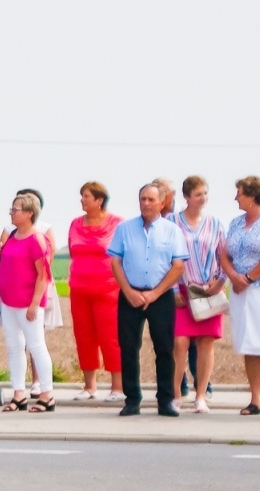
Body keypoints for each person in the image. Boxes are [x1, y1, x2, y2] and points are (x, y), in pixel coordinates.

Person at [108, 184, 188, 417]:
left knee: (164, 349)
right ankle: (132, 400)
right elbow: (115, 262)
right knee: (128, 348)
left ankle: (165, 400)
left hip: (160, 297)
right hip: (130, 295)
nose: (146, 203)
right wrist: (128, 291)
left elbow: (178, 266)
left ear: (162, 203)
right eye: (143, 199)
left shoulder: (172, 231)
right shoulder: (124, 229)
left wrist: (155, 293)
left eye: (151, 199)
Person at [0, 193, 56, 412]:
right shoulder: (13, 235)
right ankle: (18, 392)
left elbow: (43, 274)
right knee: (14, 347)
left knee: (36, 346)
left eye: (16, 210)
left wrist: (34, 303)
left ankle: (47, 394)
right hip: (9, 301)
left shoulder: (37, 239)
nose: (11, 213)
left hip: (27, 302)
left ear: (29, 213)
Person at [172, 176, 226, 412]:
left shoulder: (215, 223)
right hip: (183, 290)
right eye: (198, 194)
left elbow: (224, 256)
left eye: (205, 193)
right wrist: (173, 289)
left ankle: (201, 395)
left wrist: (220, 281)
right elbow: (167, 258)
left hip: (210, 290)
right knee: (180, 342)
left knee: (206, 342)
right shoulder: (172, 222)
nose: (203, 198)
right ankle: (175, 394)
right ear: (186, 197)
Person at [68, 181, 124, 401]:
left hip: (108, 289)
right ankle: (89, 386)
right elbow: (72, 250)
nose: (82, 200)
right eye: (82, 196)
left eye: (86, 196)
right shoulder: (75, 223)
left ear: (99, 200)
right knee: (84, 337)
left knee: (110, 338)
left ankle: (117, 387)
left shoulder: (117, 224)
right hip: (79, 288)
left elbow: (123, 255)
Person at [218, 176, 260, 415]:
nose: (236, 198)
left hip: (259, 288)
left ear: (253, 196)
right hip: (239, 290)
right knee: (250, 343)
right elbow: (224, 253)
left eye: (240, 193)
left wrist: (249, 278)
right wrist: (234, 276)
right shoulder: (236, 223)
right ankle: (256, 398)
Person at [15, 188, 64, 330]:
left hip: (37, 279)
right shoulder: (11, 228)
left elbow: (50, 255)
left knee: (36, 322)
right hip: (16, 283)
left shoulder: (44, 227)